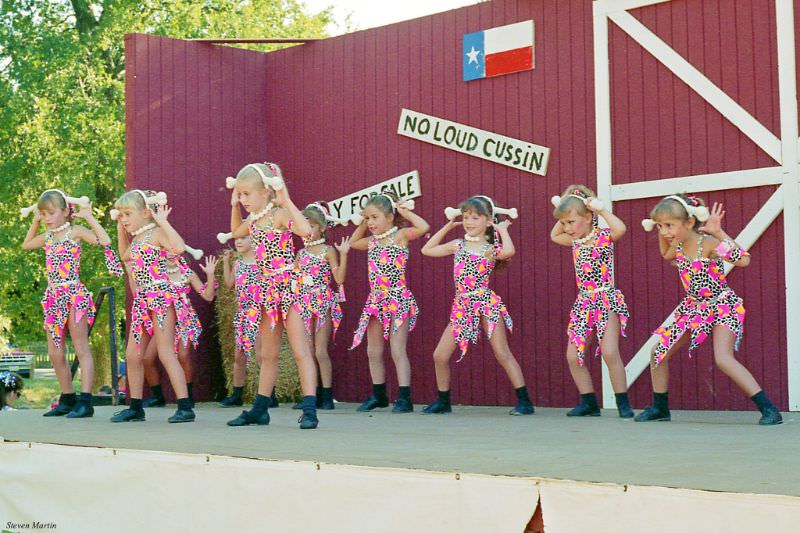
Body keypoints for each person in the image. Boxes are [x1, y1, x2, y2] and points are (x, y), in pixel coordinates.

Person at [637, 194, 782, 425]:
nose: (664, 232)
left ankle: (769, 409)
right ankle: (660, 408)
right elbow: (666, 254)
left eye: (669, 226)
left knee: (723, 358)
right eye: (660, 226)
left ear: (689, 223)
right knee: (658, 353)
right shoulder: (678, 245)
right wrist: (664, 233)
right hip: (694, 308)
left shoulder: (709, 243)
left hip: (722, 305)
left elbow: (743, 260)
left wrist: (718, 232)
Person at [225, 163, 320, 429]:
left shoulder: (278, 214)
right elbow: (236, 232)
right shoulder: (255, 218)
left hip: (289, 286)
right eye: (240, 194)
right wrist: (234, 205)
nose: (242, 199)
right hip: (267, 289)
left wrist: (286, 198)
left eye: (245, 194)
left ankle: (310, 408)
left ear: (265, 192)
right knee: (268, 353)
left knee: (301, 350)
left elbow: (305, 231)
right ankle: (260, 409)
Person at [420, 195, 534, 415]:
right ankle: (443, 401)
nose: (469, 222)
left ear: (488, 220)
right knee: (440, 355)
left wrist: (503, 230)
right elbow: (427, 249)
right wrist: (447, 226)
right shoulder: (458, 245)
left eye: (475, 217)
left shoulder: (491, 248)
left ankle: (525, 402)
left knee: (502, 352)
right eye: (465, 217)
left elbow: (509, 251)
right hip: (463, 305)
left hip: (485, 303)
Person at [22, 189, 119, 418]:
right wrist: (34, 222)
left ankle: (85, 400)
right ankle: (67, 397)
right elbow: (27, 244)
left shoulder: (75, 231)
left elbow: (104, 241)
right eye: (43, 213)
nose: (46, 218)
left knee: (80, 346)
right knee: (55, 352)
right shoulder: (47, 236)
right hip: (54, 297)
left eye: (50, 213)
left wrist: (89, 217)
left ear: (65, 211)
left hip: (73, 293)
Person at [109, 189, 195, 423]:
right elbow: (124, 255)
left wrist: (163, 221)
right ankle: (135, 407)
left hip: (160, 297)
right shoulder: (137, 238)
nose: (124, 218)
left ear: (146, 212)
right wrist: (119, 228)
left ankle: (185, 406)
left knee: (166, 352)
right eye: (121, 214)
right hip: (143, 301)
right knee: (132, 354)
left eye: (127, 214)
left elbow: (178, 246)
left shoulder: (157, 233)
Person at [549, 185, 633, 418]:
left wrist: (600, 210)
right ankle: (588, 402)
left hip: (605, 299)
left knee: (609, 351)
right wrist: (565, 204)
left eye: (571, 222)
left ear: (588, 218)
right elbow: (554, 235)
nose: (566, 228)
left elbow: (620, 228)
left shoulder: (602, 238)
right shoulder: (574, 241)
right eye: (564, 223)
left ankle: (623, 402)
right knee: (572, 355)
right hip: (584, 303)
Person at [349, 192, 430, 413]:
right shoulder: (371, 242)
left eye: (374, 217)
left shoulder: (400, 236)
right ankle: (379, 394)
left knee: (397, 348)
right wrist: (361, 221)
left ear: (389, 217)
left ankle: (404, 397)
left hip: (396, 297)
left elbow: (423, 227)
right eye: (368, 218)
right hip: (376, 300)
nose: (370, 223)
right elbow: (354, 243)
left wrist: (406, 212)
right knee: (373, 350)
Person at [290, 202, 349, 410]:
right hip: (304, 303)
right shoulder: (300, 255)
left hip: (322, 302)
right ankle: (310, 395)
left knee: (320, 351)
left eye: (312, 226)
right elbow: (293, 282)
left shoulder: (327, 251)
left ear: (322, 227)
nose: (307, 231)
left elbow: (339, 278)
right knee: (305, 351)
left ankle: (327, 395)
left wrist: (344, 254)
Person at [142, 251, 217, 408]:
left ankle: (187, 396)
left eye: (173, 250)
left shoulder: (187, 273)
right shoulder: (156, 271)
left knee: (183, 355)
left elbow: (208, 296)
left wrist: (210, 275)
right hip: (163, 320)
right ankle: (157, 396)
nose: (169, 253)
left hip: (183, 320)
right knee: (147, 358)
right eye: (165, 250)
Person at [219, 235, 262, 407]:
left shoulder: (261, 263)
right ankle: (237, 393)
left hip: (258, 312)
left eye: (244, 238)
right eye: (237, 239)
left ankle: (269, 393)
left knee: (261, 354)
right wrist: (225, 262)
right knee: (239, 355)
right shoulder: (238, 264)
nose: (238, 241)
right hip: (242, 313)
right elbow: (229, 284)